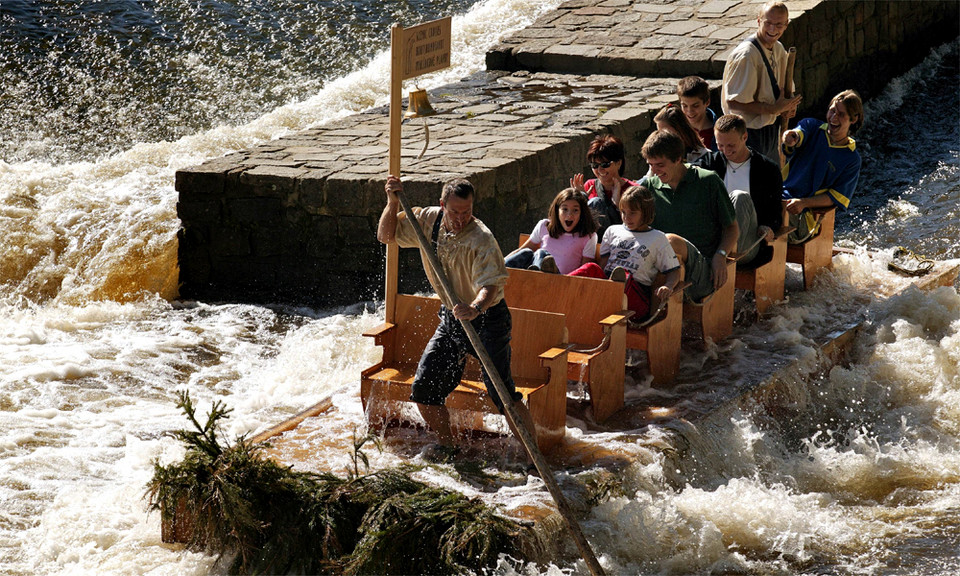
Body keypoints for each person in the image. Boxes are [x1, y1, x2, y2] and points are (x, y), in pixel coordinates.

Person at [377, 175, 539, 461]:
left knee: (502, 394)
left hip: (487, 318)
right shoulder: (426, 220)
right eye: (455, 212)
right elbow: (386, 235)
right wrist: (391, 203)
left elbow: (490, 286)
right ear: (442, 205)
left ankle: (533, 457)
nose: (461, 218)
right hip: (452, 318)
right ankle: (448, 447)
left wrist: (475, 307)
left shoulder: (482, 239)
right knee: (424, 389)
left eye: (467, 212)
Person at [639, 130, 739, 303]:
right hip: (660, 268)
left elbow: (732, 228)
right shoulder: (650, 186)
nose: (654, 172)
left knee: (670, 241)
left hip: (702, 271)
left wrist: (720, 255)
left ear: (678, 159)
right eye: (651, 165)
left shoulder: (708, 181)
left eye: (660, 165)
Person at [569, 185, 681, 321]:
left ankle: (612, 287)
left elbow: (674, 271)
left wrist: (668, 286)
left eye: (632, 213)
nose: (626, 217)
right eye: (623, 212)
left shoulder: (658, 238)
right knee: (591, 268)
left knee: (623, 275)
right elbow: (603, 265)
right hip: (608, 287)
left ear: (645, 212)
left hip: (635, 296)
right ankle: (560, 284)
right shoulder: (612, 231)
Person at [694, 113, 784, 265]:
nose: (725, 151)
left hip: (746, 244)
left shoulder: (768, 169)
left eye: (731, 145)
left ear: (745, 137)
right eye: (720, 145)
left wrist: (768, 228)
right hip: (714, 238)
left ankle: (723, 253)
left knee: (739, 197)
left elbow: (775, 212)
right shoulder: (710, 163)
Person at [721, 0, 802, 163]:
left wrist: (788, 107)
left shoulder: (778, 48)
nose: (773, 29)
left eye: (779, 24)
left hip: (770, 130)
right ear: (759, 21)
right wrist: (773, 109)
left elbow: (784, 91)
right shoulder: (746, 56)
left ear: (786, 25)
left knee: (771, 182)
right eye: (768, 23)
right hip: (748, 134)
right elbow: (734, 104)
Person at [782, 89, 864, 243]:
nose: (833, 118)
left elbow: (835, 197)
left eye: (841, 114)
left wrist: (803, 203)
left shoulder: (852, 159)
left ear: (853, 119)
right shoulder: (812, 126)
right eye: (832, 111)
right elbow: (799, 134)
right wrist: (791, 137)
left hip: (804, 218)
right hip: (779, 198)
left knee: (771, 216)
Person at [505, 188, 598, 274]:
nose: (569, 215)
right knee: (527, 252)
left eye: (575, 210)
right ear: (557, 211)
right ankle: (498, 270)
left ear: (582, 213)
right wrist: (500, 260)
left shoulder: (588, 236)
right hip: (535, 275)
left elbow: (585, 271)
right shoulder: (544, 226)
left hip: (562, 281)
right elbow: (521, 251)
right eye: (565, 209)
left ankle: (540, 275)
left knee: (541, 253)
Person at [570, 134, 637, 236]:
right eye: (595, 165)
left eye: (605, 165)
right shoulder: (589, 185)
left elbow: (637, 224)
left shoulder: (633, 190)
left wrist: (618, 204)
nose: (600, 170)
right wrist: (579, 200)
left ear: (618, 163)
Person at [677, 76, 718, 152]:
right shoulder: (677, 131)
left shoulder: (720, 131)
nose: (689, 111)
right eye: (684, 106)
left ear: (707, 102)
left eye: (695, 106)